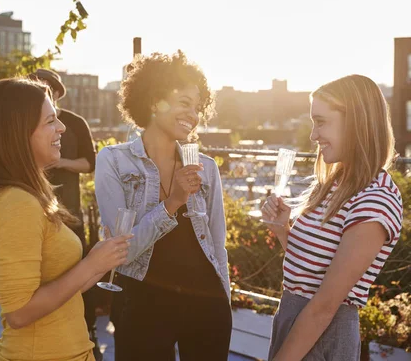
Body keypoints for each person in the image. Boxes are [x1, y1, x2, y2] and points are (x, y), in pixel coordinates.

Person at [0, 78, 132, 361]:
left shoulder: (29, 196)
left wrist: (102, 261)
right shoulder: (14, 202)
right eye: (51, 121)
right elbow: (19, 313)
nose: (62, 127)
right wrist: (92, 263)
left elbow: (65, 287)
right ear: (19, 133)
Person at [94, 51, 232, 360]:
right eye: (184, 103)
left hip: (207, 305)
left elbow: (218, 245)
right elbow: (122, 252)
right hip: (142, 305)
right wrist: (173, 202)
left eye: (198, 108)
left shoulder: (205, 167)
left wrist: (225, 300)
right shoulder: (113, 161)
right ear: (155, 102)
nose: (194, 115)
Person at [261, 75, 403, 361]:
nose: (313, 135)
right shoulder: (335, 182)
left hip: (321, 335)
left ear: (356, 122)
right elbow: (313, 271)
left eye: (321, 122)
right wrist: (283, 231)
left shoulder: (375, 199)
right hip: (294, 321)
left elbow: (325, 305)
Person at [29, 68, 102, 359]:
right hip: (35, 207)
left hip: (69, 209)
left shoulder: (75, 122)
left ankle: (88, 327)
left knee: (80, 267)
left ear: (58, 93)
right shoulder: (24, 124)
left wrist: (61, 163)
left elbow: (89, 163)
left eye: (48, 88)